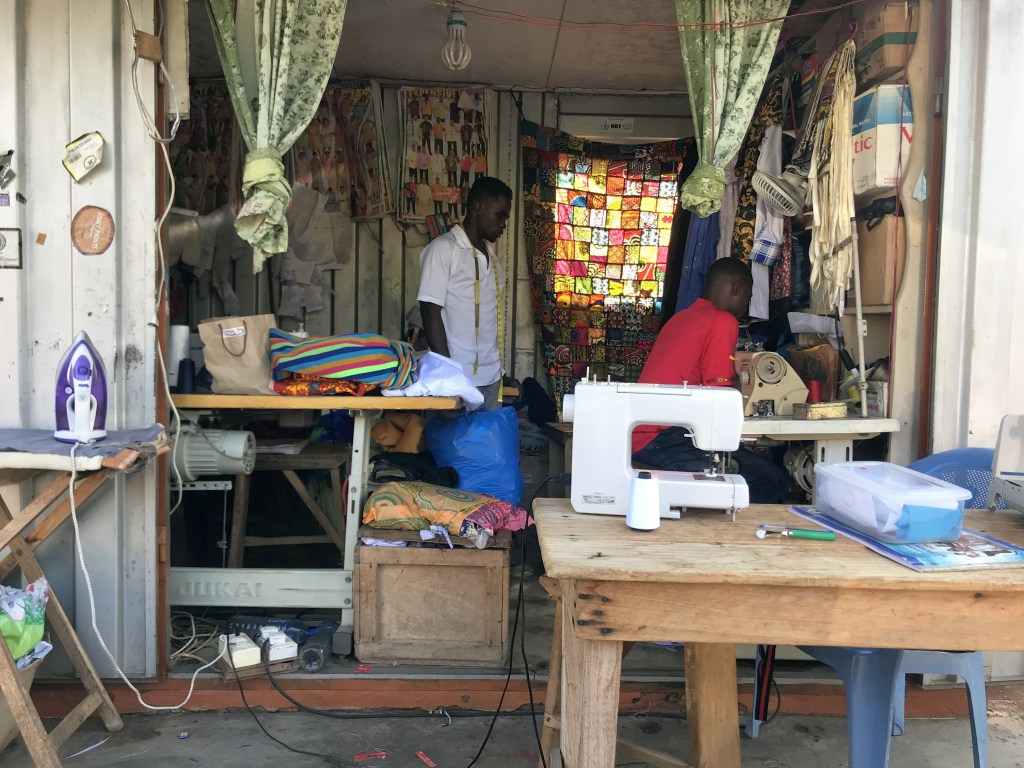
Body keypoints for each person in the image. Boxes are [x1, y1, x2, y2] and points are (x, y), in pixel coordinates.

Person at [631, 258, 790, 504]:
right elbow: (720, 398)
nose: (746, 306)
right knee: (771, 480)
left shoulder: (681, 318)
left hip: (643, 431)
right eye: (747, 298)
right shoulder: (722, 320)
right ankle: (734, 536)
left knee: (750, 465)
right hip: (662, 439)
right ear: (736, 289)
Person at [418, 176, 511, 410]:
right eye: (500, 215)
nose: (503, 224)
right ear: (478, 207)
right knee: (453, 445)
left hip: (491, 378)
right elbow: (430, 311)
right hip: (455, 380)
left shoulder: (494, 261)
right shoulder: (444, 250)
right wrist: (450, 375)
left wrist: (499, 370)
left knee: (485, 446)